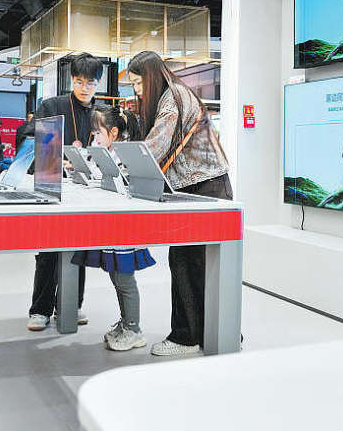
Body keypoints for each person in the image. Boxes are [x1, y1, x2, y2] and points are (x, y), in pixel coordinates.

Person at [127, 50, 232, 356]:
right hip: (199, 187)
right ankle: (213, 332)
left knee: (191, 262)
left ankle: (188, 338)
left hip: (206, 188)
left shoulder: (173, 98)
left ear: (151, 77)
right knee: (193, 263)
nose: (137, 90)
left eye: (139, 83)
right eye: (133, 84)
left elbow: (155, 146)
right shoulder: (171, 95)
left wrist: (125, 167)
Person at [27, 52, 102, 331]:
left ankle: (71, 305)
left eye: (90, 83)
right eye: (79, 82)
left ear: (98, 83)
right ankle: (40, 309)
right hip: (54, 186)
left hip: (86, 190)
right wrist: (58, 156)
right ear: (71, 79)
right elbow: (32, 136)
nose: (84, 88)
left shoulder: (101, 114)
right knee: (48, 250)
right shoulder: (53, 105)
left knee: (79, 249)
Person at [71, 105, 153, 351]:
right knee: (117, 278)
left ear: (114, 132)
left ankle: (134, 329)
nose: (95, 137)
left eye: (98, 132)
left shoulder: (124, 156)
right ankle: (126, 324)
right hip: (112, 227)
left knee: (125, 280)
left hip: (125, 229)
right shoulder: (105, 153)